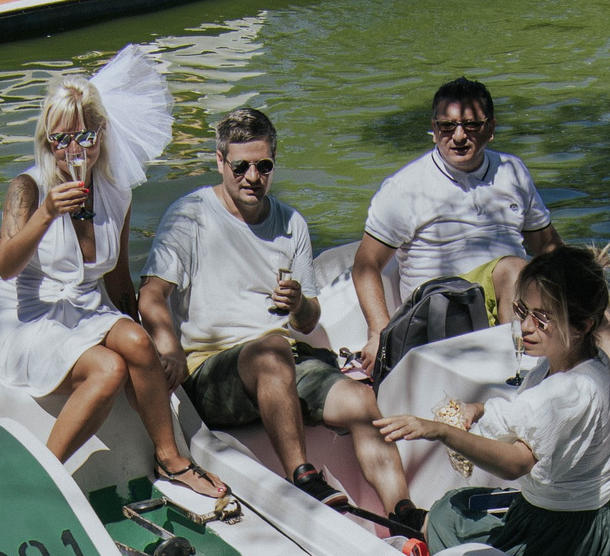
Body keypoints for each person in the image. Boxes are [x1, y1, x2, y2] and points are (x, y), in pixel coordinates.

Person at [140, 107, 418, 526]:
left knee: (361, 400)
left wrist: (299, 305)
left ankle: (405, 513)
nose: (253, 176)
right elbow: (151, 296)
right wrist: (168, 346)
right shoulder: (189, 217)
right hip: (211, 370)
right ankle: (304, 479)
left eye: (263, 165)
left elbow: (308, 321)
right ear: (220, 162)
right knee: (271, 351)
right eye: (241, 166)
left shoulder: (291, 223)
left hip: (285, 359)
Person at [0, 48, 228, 498]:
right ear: (46, 141)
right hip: (27, 317)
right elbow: (5, 266)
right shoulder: (28, 188)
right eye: (61, 140)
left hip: (85, 307)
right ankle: (42, 478)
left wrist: (152, 347)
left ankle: (171, 459)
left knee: (135, 345)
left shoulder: (116, 192)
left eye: (85, 137)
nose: (74, 151)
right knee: (109, 368)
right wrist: (46, 214)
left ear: (102, 134)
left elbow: (116, 277)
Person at [352, 78, 610, 420]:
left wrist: (591, 302)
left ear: (490, 128)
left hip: (516, 301)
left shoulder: (512, 172)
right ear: (433, 129)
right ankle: (527, 404)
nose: (459, 136)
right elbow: (365, 265)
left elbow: (547, 246)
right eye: (447, 126)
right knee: (512, 269)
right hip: (444, 311)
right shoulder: (405, 189)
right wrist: (379, 332)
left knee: (595, 325)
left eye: (471, 125)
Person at [372, 246, 610, 556]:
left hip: (566, 535)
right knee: (455, 503)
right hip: (580, 515)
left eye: (542, 318)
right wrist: (476, 410)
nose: (525, 326)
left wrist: (440, 431)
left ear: (581, 326)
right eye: (523, 311)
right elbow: (523, 413)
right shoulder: (578, 362)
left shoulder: (571, 391)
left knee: (444, 518)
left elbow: (515, 464)